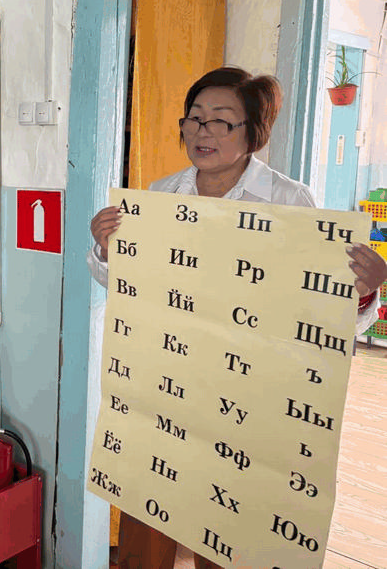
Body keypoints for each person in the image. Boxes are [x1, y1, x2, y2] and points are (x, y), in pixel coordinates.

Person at [88, 66, 387, 569]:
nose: (202, 132)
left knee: (230, 528)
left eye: (221, 120)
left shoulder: (291, 202)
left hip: (242, 396)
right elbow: (124, 286)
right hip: (166, 385)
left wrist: (363, 291)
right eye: (194, 118)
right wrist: (106, 248)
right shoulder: (161, 196)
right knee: (147, 523)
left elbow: (322, 317)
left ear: (253, 133)